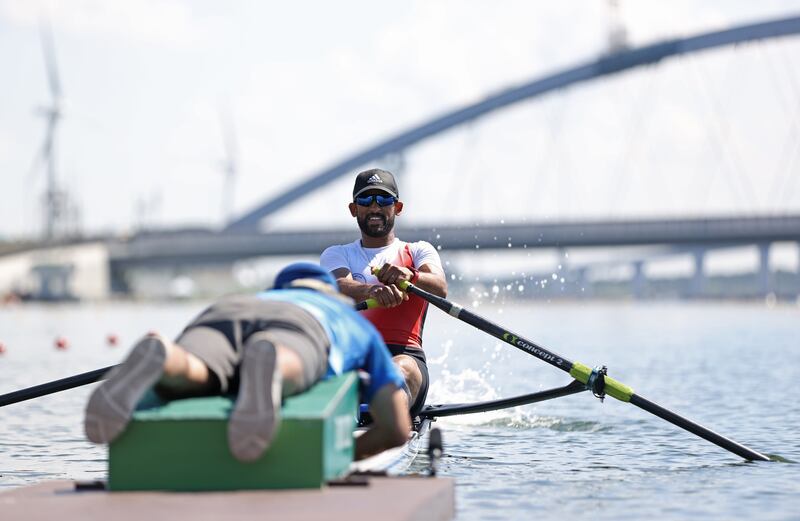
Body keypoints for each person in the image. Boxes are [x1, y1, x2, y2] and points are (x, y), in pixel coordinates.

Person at [84, 262, 410, 462]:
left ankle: (166, 357)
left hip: (225, 311)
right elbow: (396, 429)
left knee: (201, 368)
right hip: (303, 323)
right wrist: (339, 456)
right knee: (289, 352)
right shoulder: (345, 315)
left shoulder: (261, 296)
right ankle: (273, 365)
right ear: (329, 290)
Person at [320, 168, 447, 418]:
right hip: (352, 359)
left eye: (384, 200)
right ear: (353, 209)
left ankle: (381, 417)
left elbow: (440, 287)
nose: (375, 207)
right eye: (366, 200)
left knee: (395, 370)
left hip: (405, 357)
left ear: (397, 207)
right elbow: (339, 286)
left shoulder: (419, 251)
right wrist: (372, 291)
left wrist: (410, 276)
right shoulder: (336, 254)